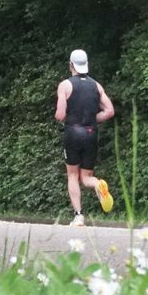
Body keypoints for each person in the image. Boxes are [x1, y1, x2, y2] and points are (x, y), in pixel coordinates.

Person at [56, 49, 116, 226]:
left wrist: (70, 118)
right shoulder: (96, 86)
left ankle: (79, 216)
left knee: (72, 176)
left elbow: (60, 115)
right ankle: (98, 184)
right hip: (91, 133)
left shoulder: (65, 85)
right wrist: (92, 118)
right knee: (86, 177)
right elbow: (109, 111)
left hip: (73, 133)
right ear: (86, 64)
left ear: (71, 65)